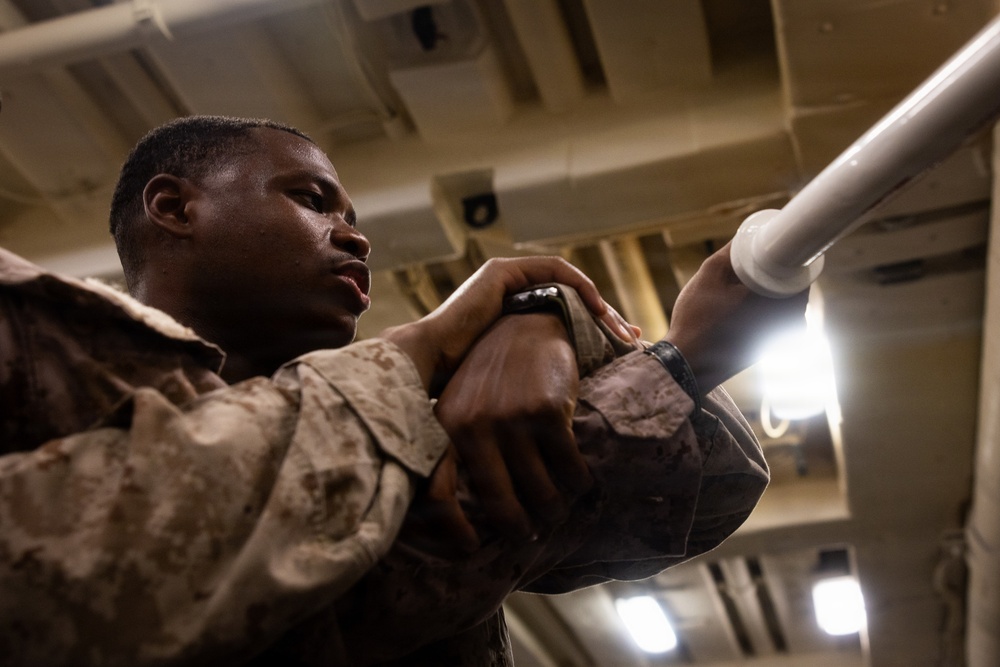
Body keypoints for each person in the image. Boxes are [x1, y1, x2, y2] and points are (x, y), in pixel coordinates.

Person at [0, 115, 807, 665]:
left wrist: (544, 320)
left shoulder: (399, 430)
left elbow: (712, 491)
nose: (354, 235)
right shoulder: (48, 364)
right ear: (175, 207)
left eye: (351, 213)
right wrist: (425, 345)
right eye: (311, 199)